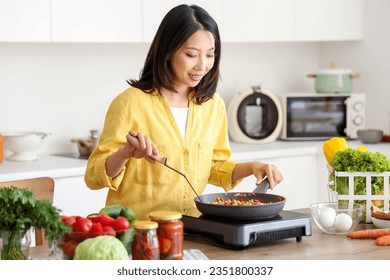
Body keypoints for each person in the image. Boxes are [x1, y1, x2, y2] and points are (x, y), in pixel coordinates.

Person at [84, 4, 283, 220]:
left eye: (210, 55)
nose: (202, 66)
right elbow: (93, 177)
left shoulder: (213, 105)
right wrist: (124, 154)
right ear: (168, 51)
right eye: (192, 54)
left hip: (193, 231)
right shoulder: (129, 103)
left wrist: (253, 167)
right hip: (139, 233)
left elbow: (214, 167)